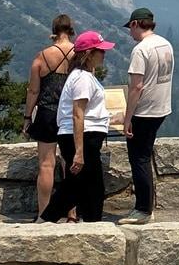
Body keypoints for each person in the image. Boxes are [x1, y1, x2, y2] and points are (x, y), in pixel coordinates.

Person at [40, 30, 115, 223]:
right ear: (89, 53)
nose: (103, 54)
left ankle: (84, 221)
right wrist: (79, 151)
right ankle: (50, 220)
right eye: (100, 51)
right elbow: (77, 113)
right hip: (83, 137)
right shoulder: (82, 78)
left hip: (84, 135)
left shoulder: (83, 76)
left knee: (82, 186)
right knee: (86, 186)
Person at [120, 7, 174, 226]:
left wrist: (126, 118)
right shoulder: (165, 44)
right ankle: (147, 206)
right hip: (162, 106)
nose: (129, 34)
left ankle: (143, 209)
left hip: (144, 110)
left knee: (139, 159)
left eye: (130, 28)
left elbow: (136, 87)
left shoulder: (141, 50)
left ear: (135, 24)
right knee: (145, 156)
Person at [23, 14, 76, 220]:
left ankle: (44, 214)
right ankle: (71, 212)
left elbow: (33, 91)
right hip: (71, 114)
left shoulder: (42, 57)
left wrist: (27, 117)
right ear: (71, 30)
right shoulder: (78, 55)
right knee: (70, 163)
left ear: (53, 30)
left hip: (46, 112)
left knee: (46, 165)